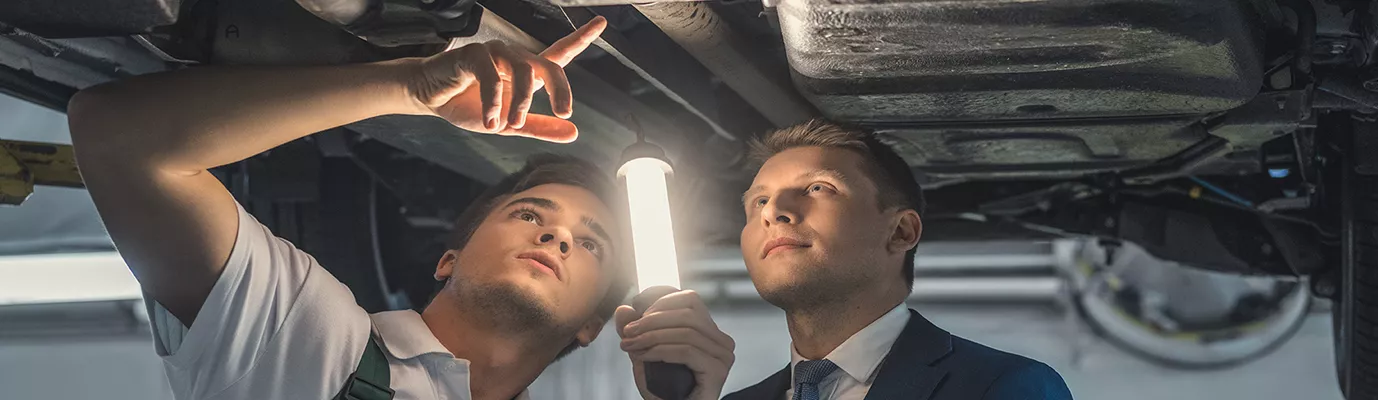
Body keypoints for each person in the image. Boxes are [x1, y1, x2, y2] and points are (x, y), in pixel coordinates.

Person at [67, 16, 735, 400]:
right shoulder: (304, 334)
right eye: (530, 213)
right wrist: (408, 87)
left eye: (591, 244)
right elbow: (118, 137)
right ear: (449, 259)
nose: (558, 236)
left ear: (594, 324)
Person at [619, 120, 1072, 400]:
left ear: (901, 231)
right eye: (757, 202)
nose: (774, 212)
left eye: (818, 188)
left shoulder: (1007, 388)